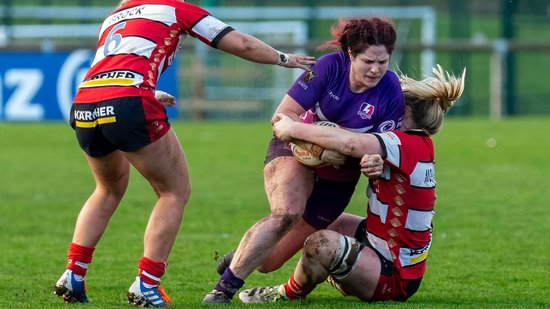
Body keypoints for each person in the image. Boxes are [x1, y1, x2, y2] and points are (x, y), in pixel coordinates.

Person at [52, 0, 314, 307]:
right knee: (173, 191)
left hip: (85, 103)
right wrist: (285, 59)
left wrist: (147, 92)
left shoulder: (116, 14)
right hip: (129, 102)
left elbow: (116, 66)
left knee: (107, 190)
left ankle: (73, 273)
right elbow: (240, 43)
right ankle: (146, 284)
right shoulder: (177, 8)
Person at [203, 17, 405, 304]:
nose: (375, 69)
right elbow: (282, 117)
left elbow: (384, 149)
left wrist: (373, 162)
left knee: (268, 262)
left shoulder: (391, 91)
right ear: (351, 55)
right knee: (287, 213)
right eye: (368, 61)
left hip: (340, 178)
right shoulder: (328, 67)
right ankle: (223, 290)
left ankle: (244, 254)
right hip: (294, 151)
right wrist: (317, 148)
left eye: (382, 62)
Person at [237, 64, 466, 304]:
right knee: (324, 220)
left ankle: (287, 293)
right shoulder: (415, 145)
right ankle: (256, 251)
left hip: (393, 273)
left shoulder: (402, 142)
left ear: (405, 112)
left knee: (320, 244)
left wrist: (295, 129)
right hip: (381, 242)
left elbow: (351, 144)